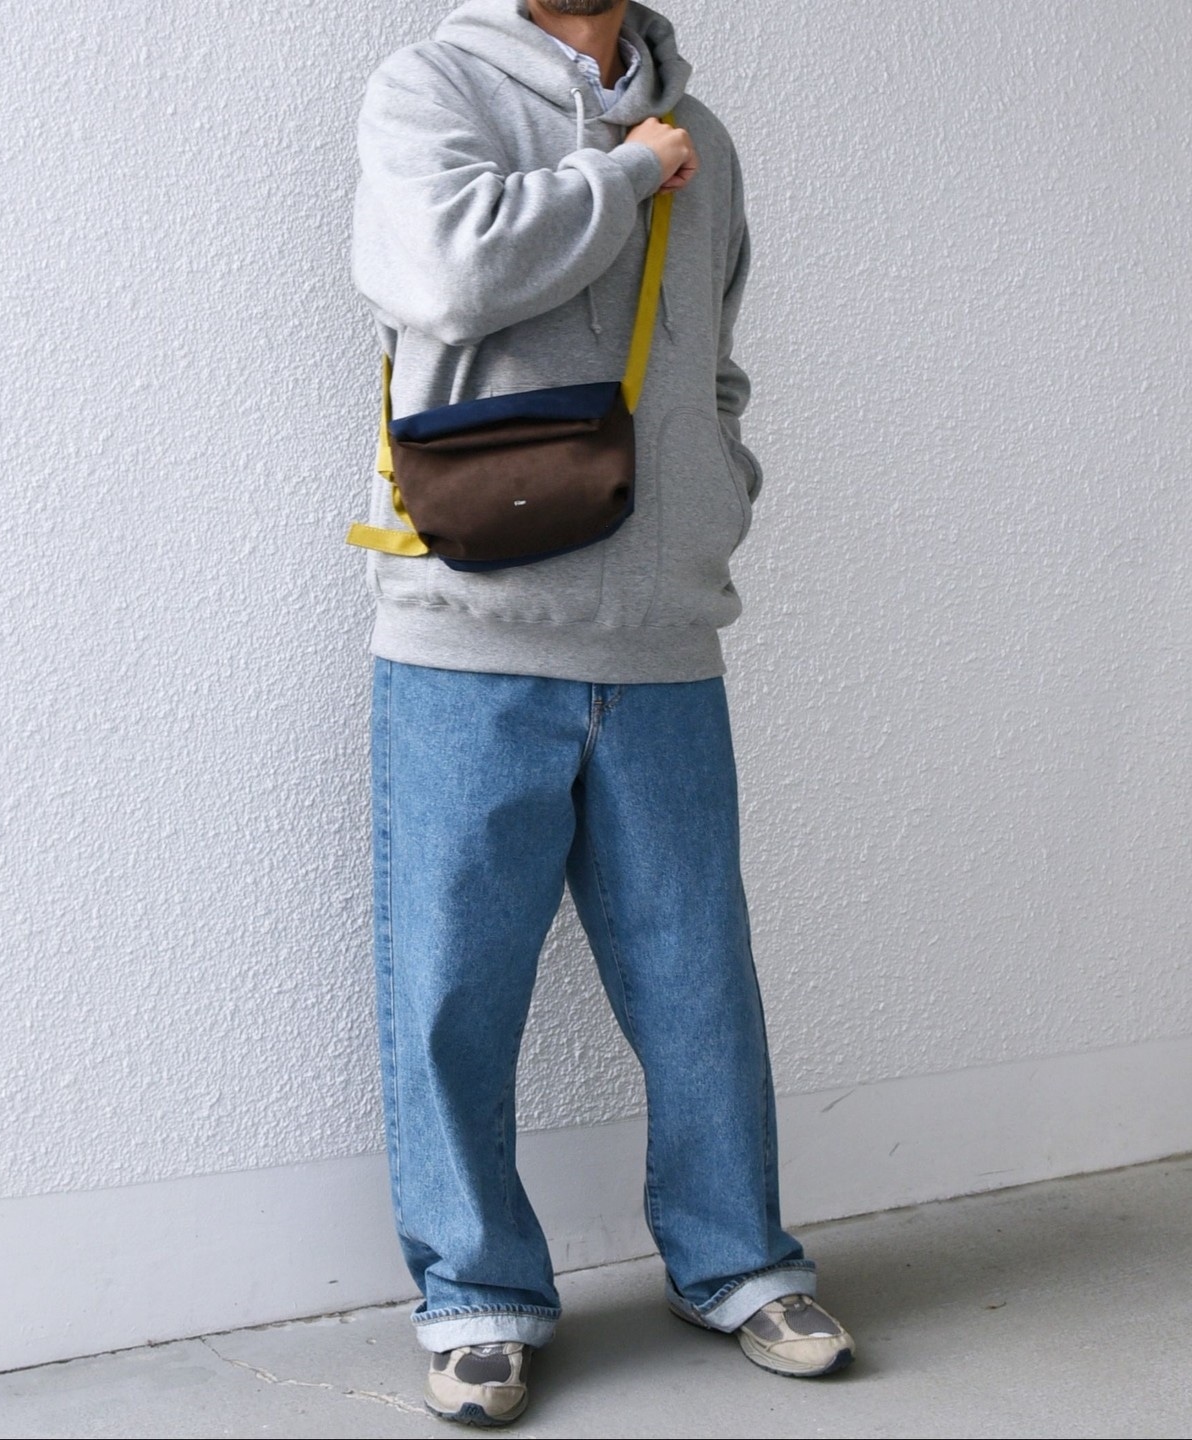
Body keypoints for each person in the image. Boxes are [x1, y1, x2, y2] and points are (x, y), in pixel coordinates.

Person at [351, 0, 854, 1425]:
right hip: (469, 632)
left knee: (699, 979)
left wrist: (717, 491)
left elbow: (716, 356)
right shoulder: (431, 90)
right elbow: (447, 275)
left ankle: (739, 1263)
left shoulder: (708, 137)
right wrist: (628, 171)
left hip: (662, 633)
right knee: (452, 989)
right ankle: (475, 1295)